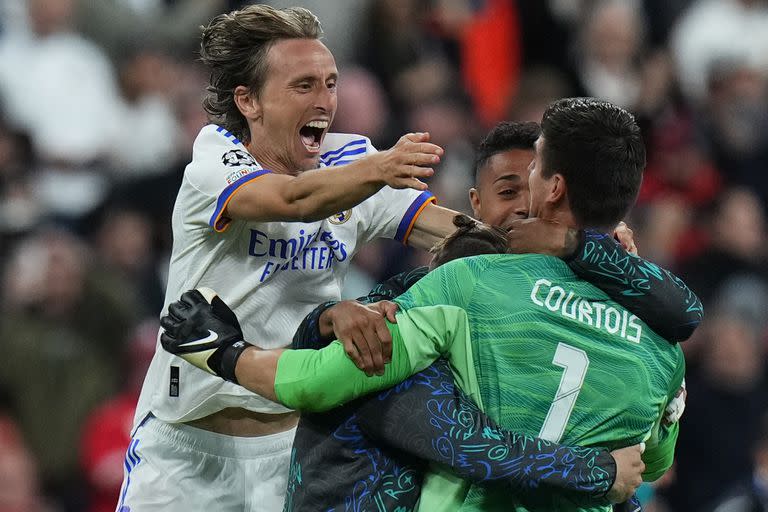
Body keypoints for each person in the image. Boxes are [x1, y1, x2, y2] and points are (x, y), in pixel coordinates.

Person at [161, 101, 690, 511]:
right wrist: (326, 318)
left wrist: (223, 351)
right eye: (509, 188)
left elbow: (319, 382)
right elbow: (654, 461)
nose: (525, 203)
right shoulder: (663, 345)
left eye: (531, 178)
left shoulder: (468, 287)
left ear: (553, 188)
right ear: (474, 206)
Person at [119, 4, 468, 511]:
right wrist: (381, 168)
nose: (325, 100)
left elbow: (457, 234)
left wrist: (574, 235)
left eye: (330, 83)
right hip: (185, 453)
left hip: (291, 454)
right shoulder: (215, 159)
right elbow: (293, 201)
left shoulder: (354, 162)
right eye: (303, 86)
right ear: (249, 101)